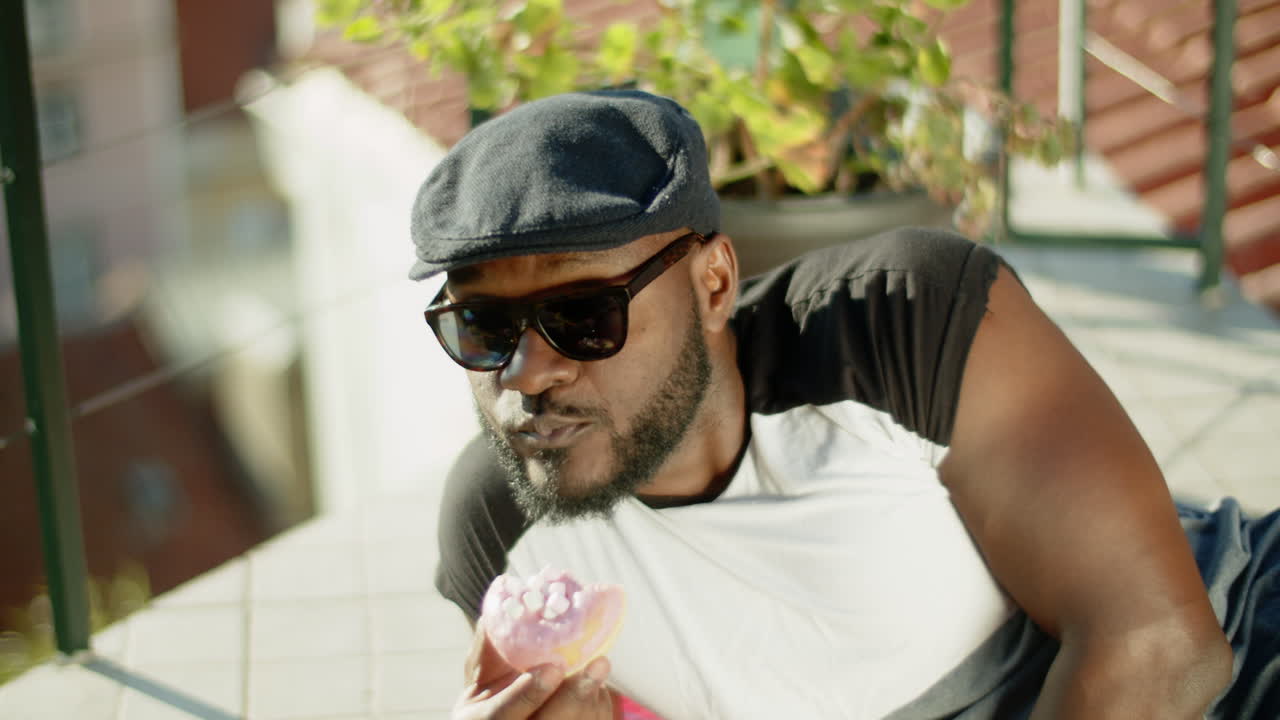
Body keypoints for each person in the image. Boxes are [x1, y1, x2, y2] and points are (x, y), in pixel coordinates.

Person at [410, 90, 1279, 719]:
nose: (526, 372)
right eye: (482, 326)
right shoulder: (499, 529)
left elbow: (1160, 649)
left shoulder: (901, 324)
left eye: (581, 316)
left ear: (713, 283)